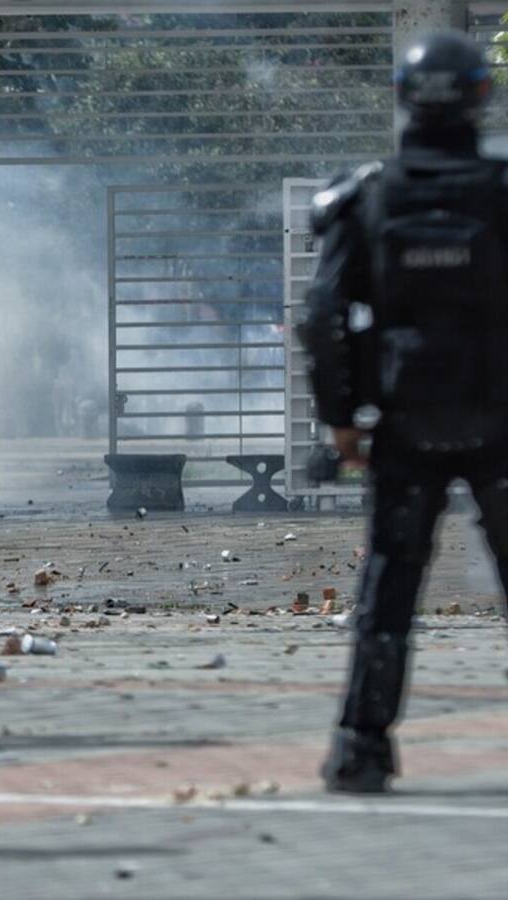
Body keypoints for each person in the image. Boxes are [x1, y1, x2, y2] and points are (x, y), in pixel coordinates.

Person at [301, 30, 507, 793]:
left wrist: (342, 418)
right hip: (501, 423)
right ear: (482, 98)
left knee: (388, 589)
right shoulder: (502, 191)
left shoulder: (369, 194)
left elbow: (322, 315)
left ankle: (361, 750)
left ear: (403, 98)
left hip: (404, 425)